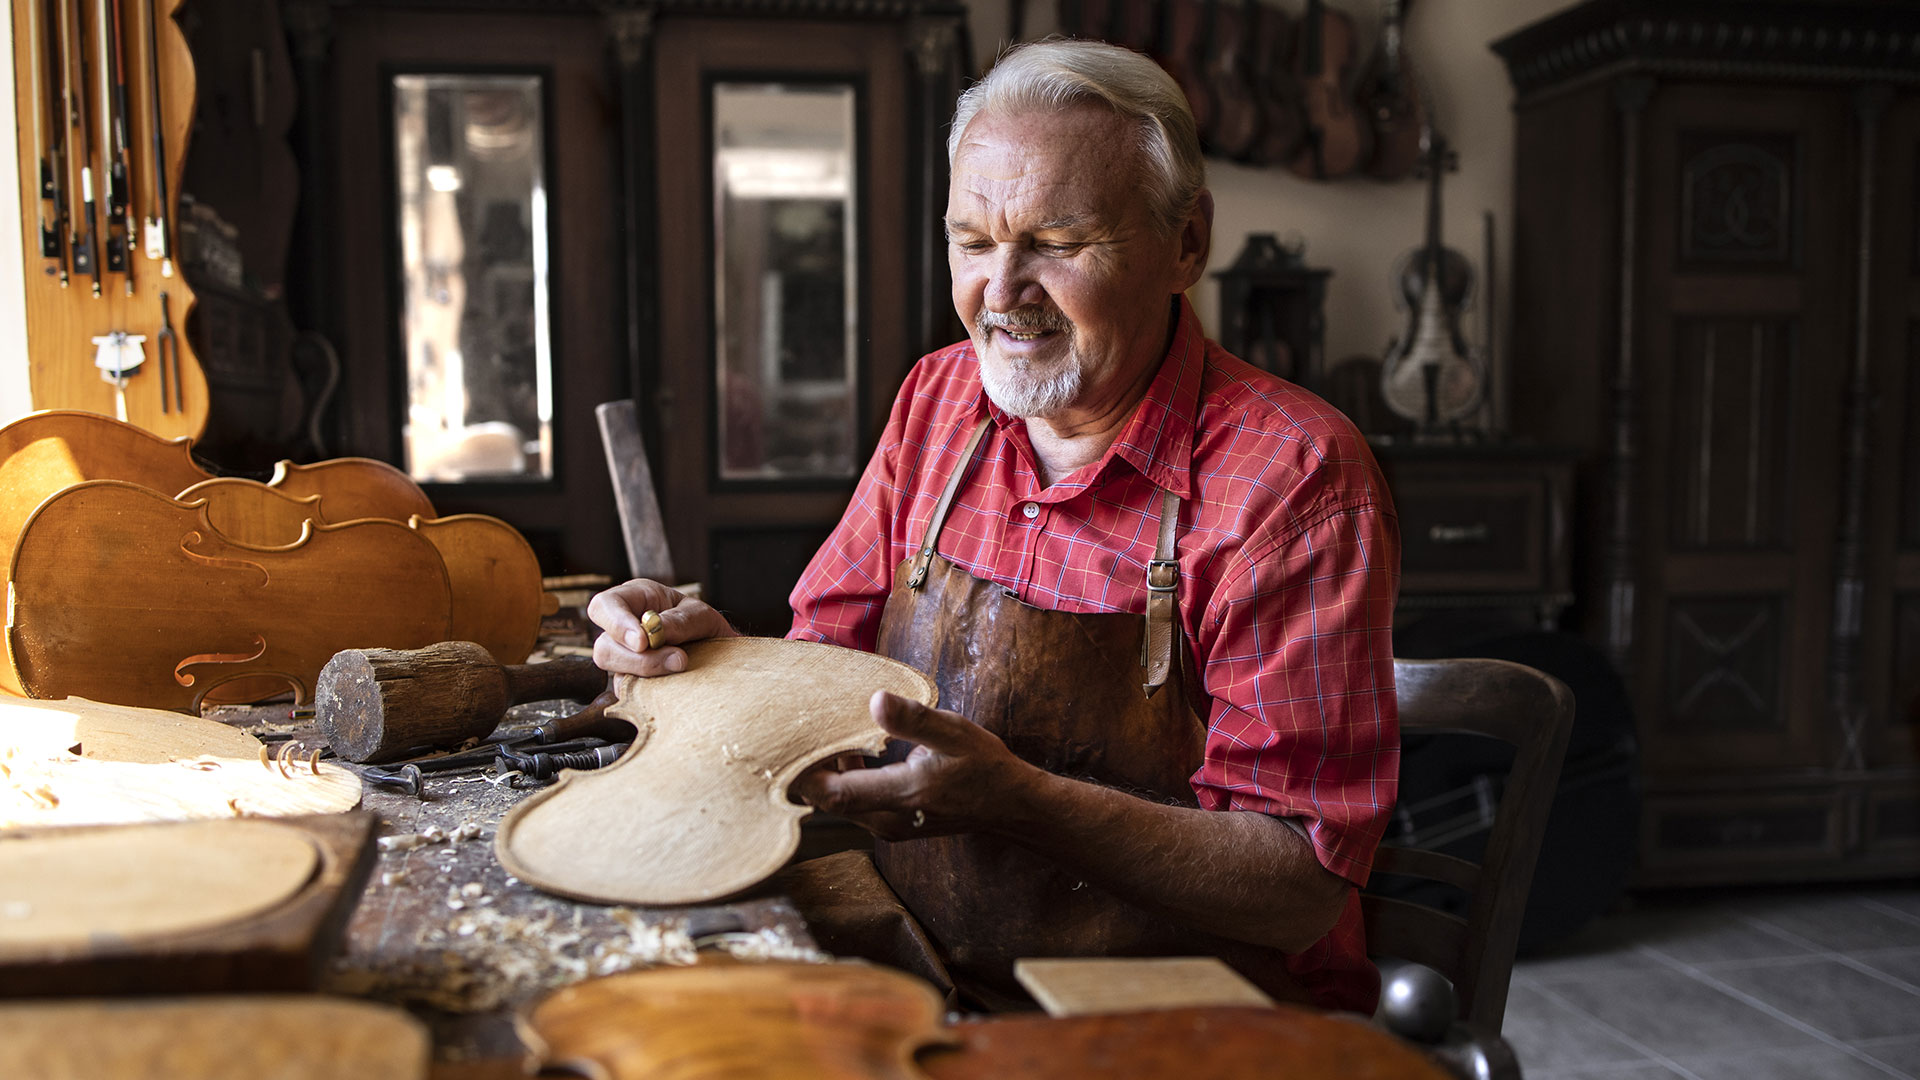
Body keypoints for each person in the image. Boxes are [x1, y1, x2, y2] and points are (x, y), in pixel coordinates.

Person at [590, 38, 1400, 1013]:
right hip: (936, 962)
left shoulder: (1294, 478)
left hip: (1199, 1004)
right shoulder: (939, 402)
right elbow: (825, 676)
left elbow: (1297, 889)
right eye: (973, 241)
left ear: (1186, 242)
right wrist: (713, 669)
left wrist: (1023, 803)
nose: (1003, 291)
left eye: (1057, 243)